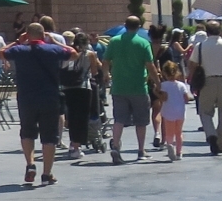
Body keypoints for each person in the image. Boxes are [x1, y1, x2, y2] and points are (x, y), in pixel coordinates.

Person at [5, 22, 72, 186]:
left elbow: (1, 53)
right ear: (43, 35)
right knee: (49, 136)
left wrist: (18, 41)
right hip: (49, 97)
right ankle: (47, 174)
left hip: (26, 97)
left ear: (27, 35)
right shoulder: (52, 49)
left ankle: (30, 164)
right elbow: (74, 54)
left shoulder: (20, 50)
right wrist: (55, 42)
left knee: (27, 132)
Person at [105, 16, 155, 163]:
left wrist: (106, 75)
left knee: (119, 119)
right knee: (141, 121)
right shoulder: (143, 43)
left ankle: (115, 146)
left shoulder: (114, 41)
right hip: (138, 87)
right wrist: (158, 83)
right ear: (139, 26)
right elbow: (150, 66)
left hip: (119, 86)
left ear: (125, 25)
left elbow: (105, 60)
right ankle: (141, 150)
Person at [190, 20, 222, 154]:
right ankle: (221, 144)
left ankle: (211, 134)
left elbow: (192, 64)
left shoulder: (200, 46)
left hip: (207, 81)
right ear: (220, 31)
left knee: (205, 112)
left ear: (207, 31)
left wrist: (192, 78)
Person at [62, 33, 96, 157]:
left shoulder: (69, 53)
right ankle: (77, 146)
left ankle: (72, 143)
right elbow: (94, 71)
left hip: (68, 87)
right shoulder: (90, 54)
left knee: (71, 116)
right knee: (82, 118)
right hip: (83, 87)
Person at [157, 61, 192, 160]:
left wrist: (157, 93)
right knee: (179, 132)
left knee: (169, 133)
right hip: (180, 112)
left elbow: (163, 98)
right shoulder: (181, 85)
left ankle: (170, 146)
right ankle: (179, 152)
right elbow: (186, 98)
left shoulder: (163, 85)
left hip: (168, 111)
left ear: (164, 73)